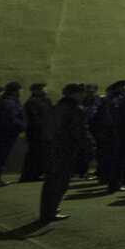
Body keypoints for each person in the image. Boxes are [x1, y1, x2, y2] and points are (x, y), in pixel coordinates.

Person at [35, 84, 95, 226]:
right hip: (65, 150)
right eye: (82, 93)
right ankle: (51, 212)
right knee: (60, 182)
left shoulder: (54, 108)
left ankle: (47, 211)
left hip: (51, 149)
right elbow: (80, 132)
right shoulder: (75, 111)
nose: (84, 96)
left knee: (50, 182)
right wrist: (90, 148)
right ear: (76, 94)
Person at [92, 81, 125, 192]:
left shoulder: (121, 100)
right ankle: (114, 184)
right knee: (119, 160)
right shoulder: (124, 101)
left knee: (118, 160)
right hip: (123, 135)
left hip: (119, 134)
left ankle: (114, 182)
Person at [0, 82, 26, 186]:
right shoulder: (10, 103)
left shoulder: (9, 101)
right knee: (0, 156)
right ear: (16, 90)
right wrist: (22, 126)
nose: (22, 92)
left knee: (1, 156)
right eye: (21, 89)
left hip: (6, 133)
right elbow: (11, 118)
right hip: (5, 134)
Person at [19, 83, 53, 182]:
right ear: (35, 90)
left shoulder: (47, 100)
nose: (45, 89)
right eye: (42, 88)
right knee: (34, 154)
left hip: (46, 131)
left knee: (43, 154)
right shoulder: (31, 102)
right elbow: (34, 119)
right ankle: (28, 175)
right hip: (36, 133)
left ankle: (37, 173)